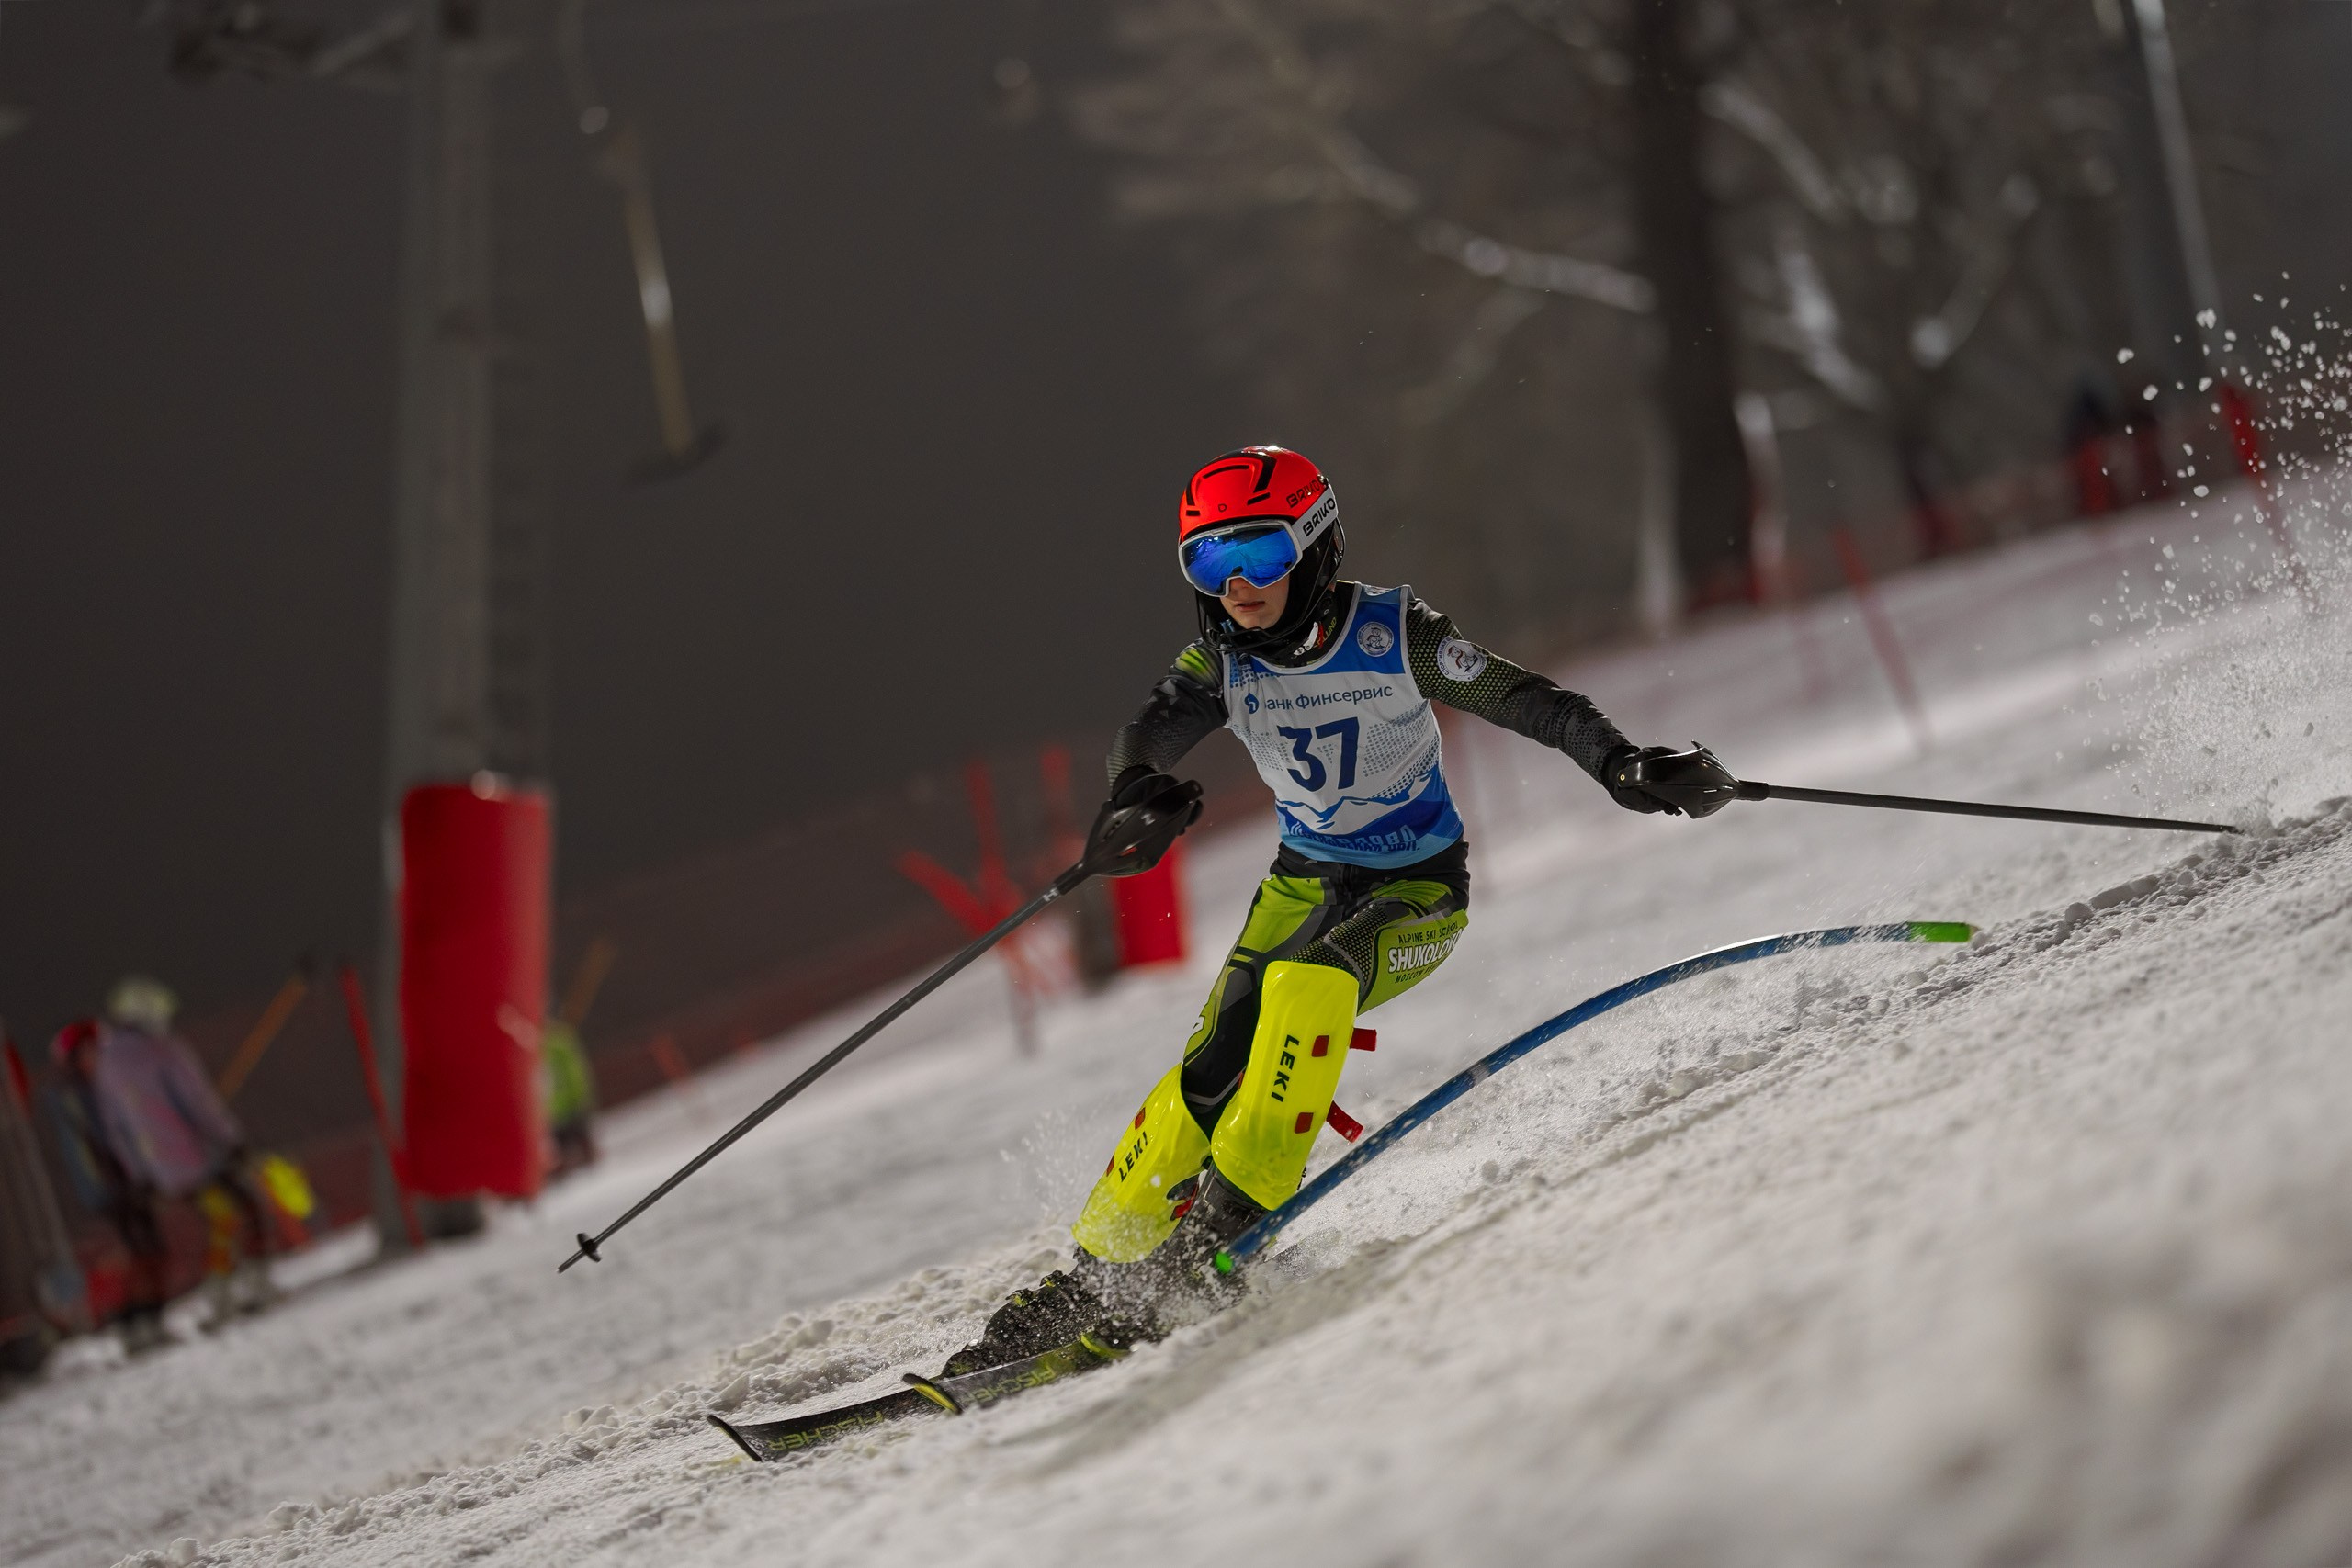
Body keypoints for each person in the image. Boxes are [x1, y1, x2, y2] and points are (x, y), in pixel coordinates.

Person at [948, 446, 1728, 1371]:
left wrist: (1620, 763)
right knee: (1209, 1067)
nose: (1236, 585)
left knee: (1309, 988)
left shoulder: (1393, 631)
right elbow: (1147, 732)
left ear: (1313, 548)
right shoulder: (1216, 663)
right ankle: (1092, 1276)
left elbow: (1530, 701)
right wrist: (1133, 794)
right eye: (1208, 561)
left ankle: (1221, 1236)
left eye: (1262, 556)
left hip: (1415, 891)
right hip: (1299, 884)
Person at [54, 977, 278, 1341]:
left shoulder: (109, 1066)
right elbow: (197, 1101)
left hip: (162, 1170)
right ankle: (236, 1288)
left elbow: (118, 1128)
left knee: (219, 1219)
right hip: (195, 1157)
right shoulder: (162, 1050)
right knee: (238, 1213)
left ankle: (219, 1294)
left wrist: (142, 1172)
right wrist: (231, 1139)